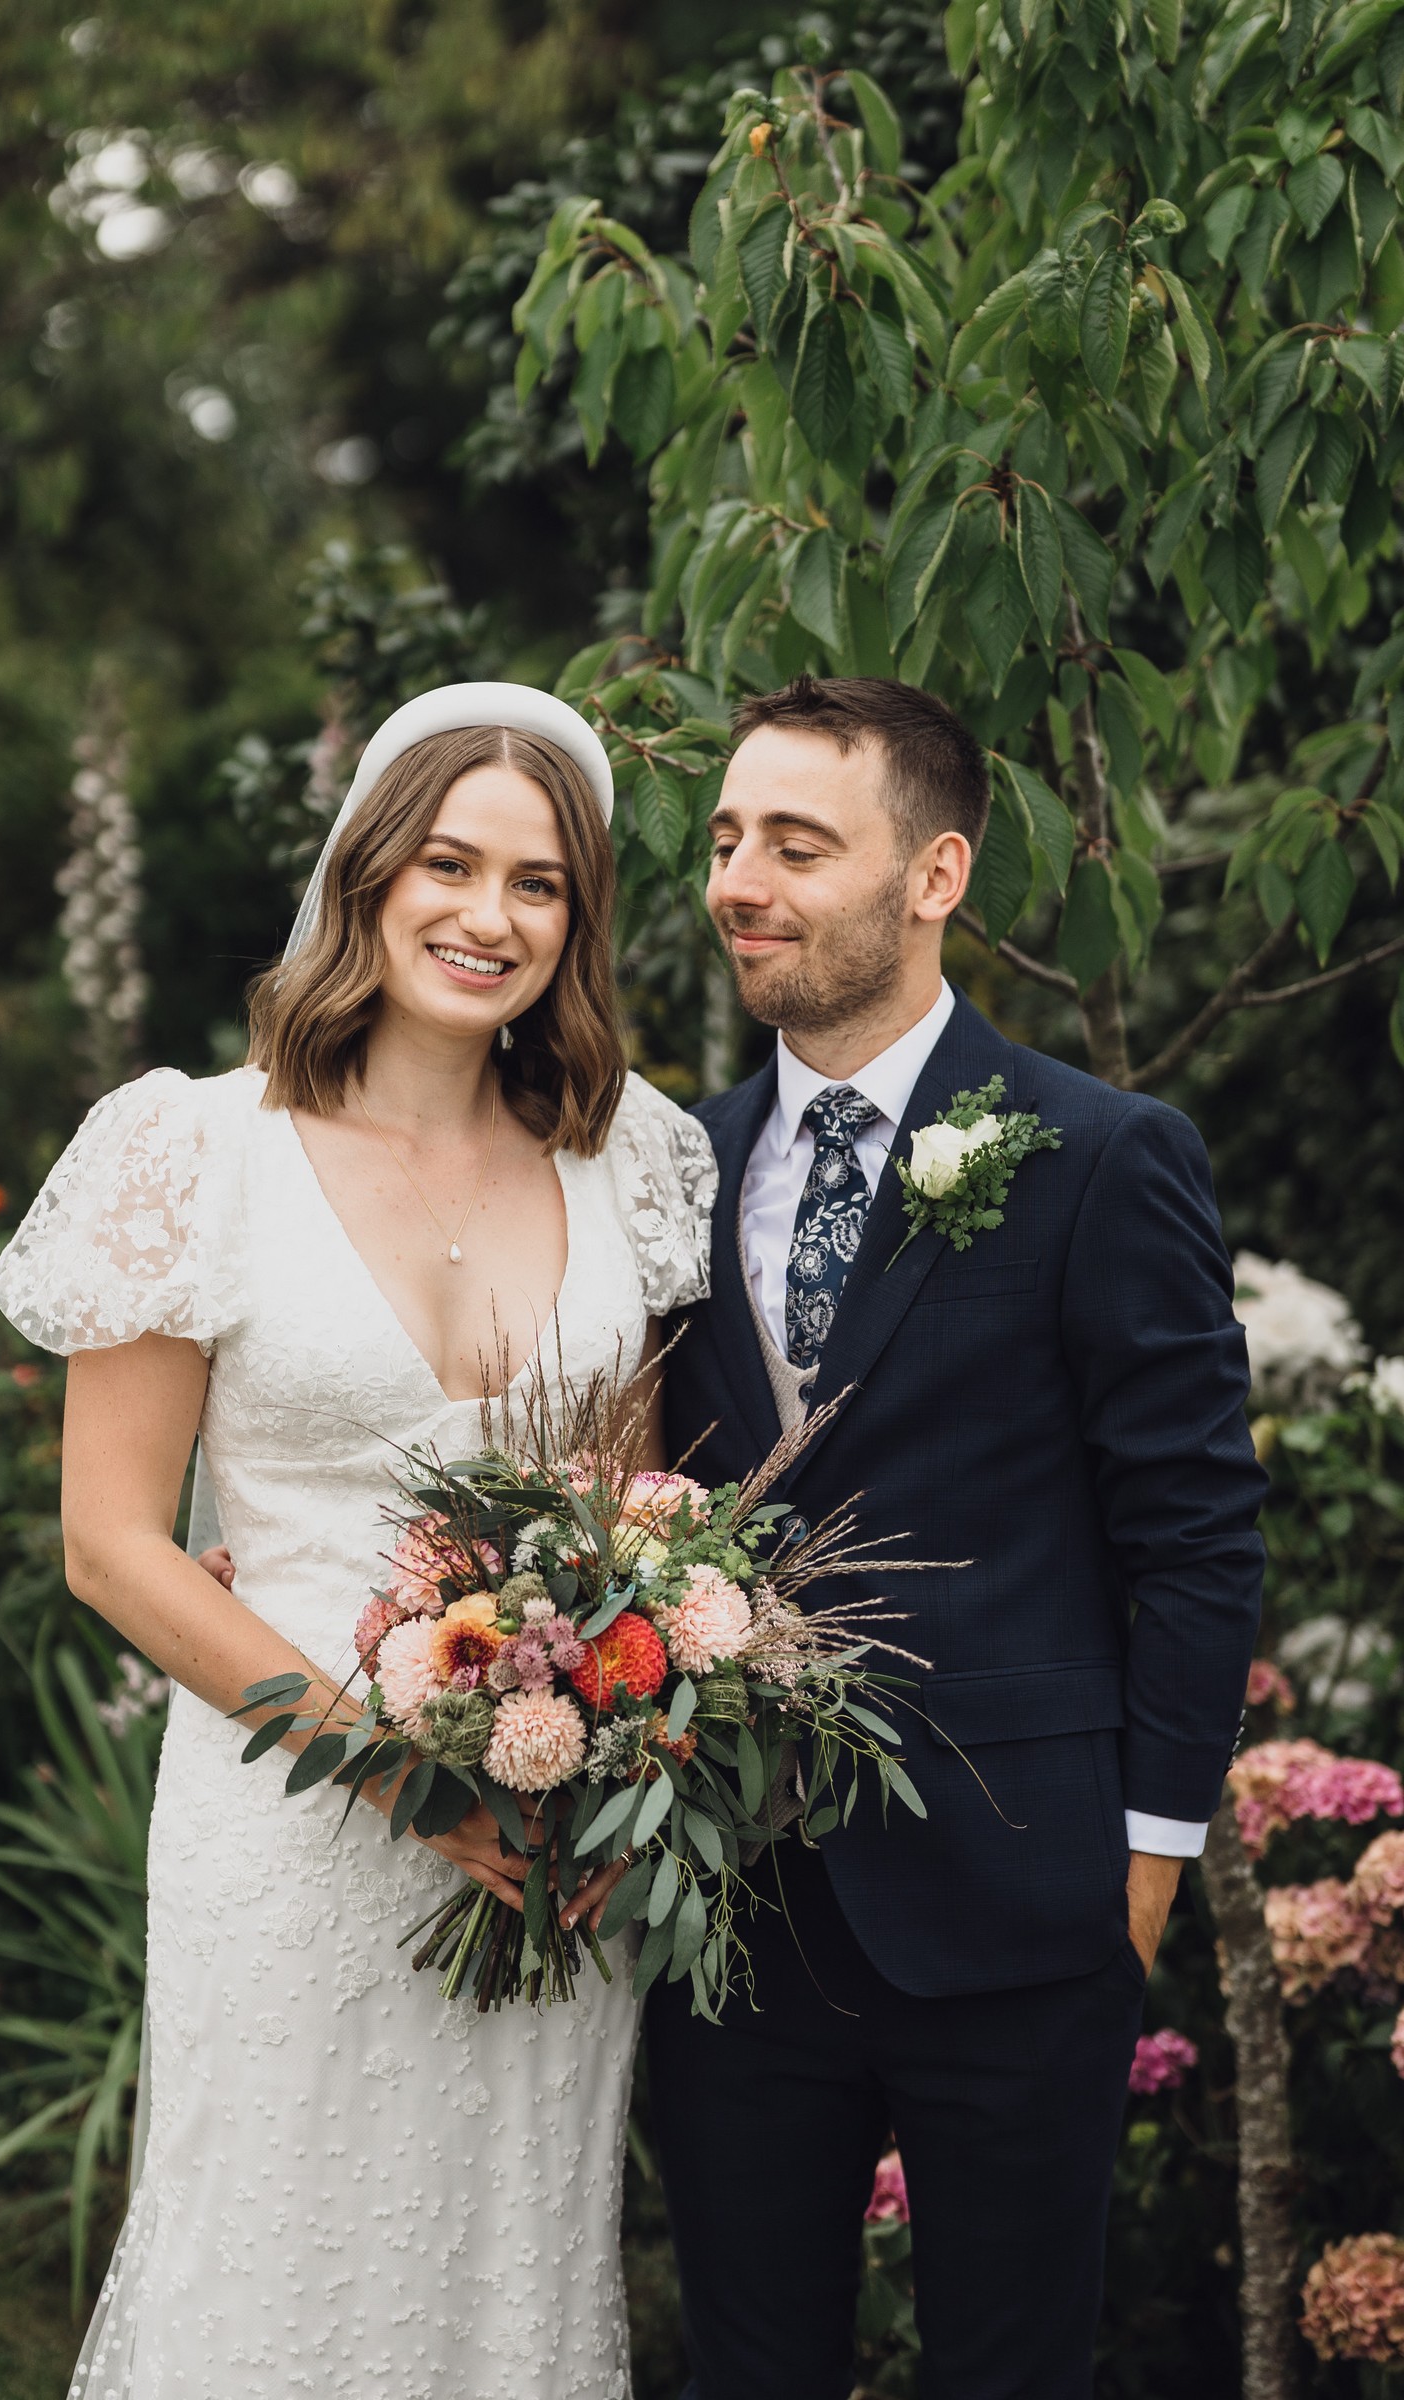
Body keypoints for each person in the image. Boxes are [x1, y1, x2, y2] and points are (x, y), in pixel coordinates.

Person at [0, 683, 715, 2400]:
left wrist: (620, 1760)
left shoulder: (632, 1161)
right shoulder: (195, 1151)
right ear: (368, 875)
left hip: (552, 1841)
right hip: (292, 1813)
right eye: (449, 864)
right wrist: (404, 1778)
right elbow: (111, 1541)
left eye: (539, 884)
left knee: (510, 2277)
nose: (489, 916)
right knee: (277, 2278)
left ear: (579, 920)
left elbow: (637, 1528)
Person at [648, 674, 1265, 2400]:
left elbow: (1198, 1530)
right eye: (722, 839)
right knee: (748, 2370)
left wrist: (1143, 1863)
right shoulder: (669, 1171)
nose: (738, 882)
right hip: (736, 1910)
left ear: (934, 877)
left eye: (794, 843)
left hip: (1024, 1904)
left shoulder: (1101, 1155)